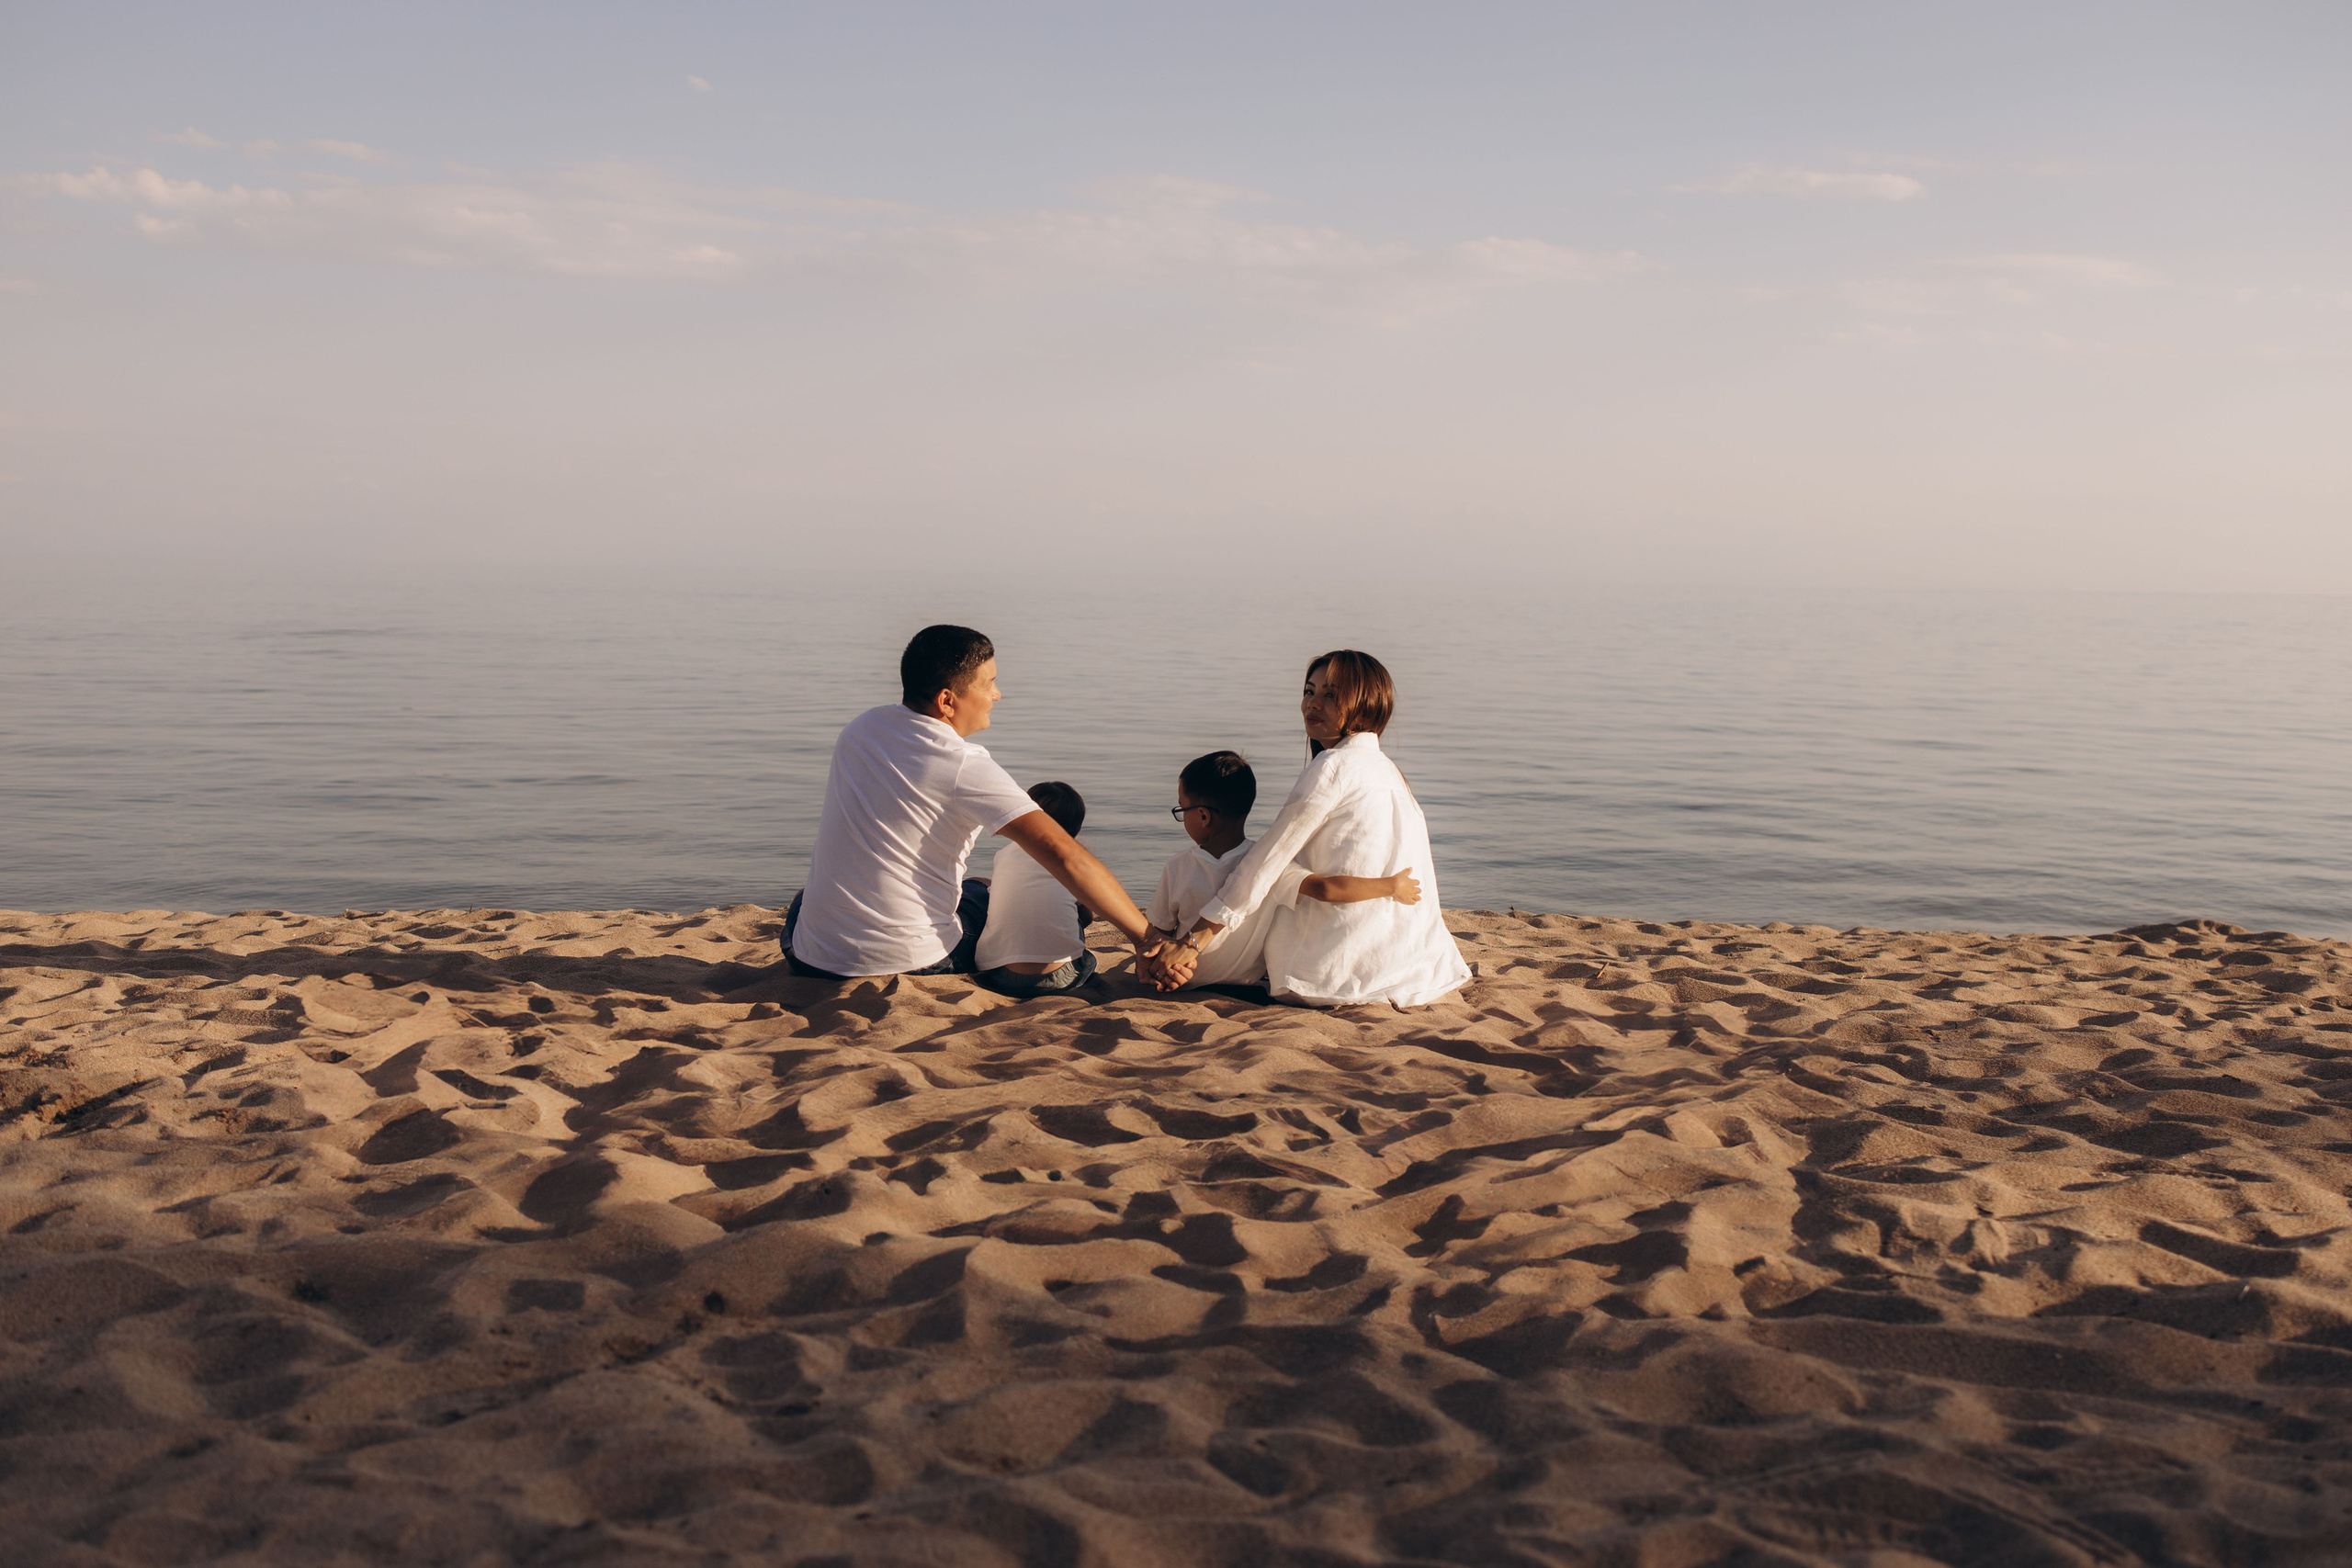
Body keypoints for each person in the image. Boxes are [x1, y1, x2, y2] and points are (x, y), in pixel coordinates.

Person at [718, 625, 1160, 987]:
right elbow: (1064, 854)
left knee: (807, 899)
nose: (998, 695)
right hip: (912, 963)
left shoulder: (861, 728)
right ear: (948, 700)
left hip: (809, 955)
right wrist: (1145, 938)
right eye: (989, 684)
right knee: (998, 899)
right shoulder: (965, 765)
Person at [1149, 652, 1469, 1008]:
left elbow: (1265, 863)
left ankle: (1197, 960)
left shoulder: (1333, 767)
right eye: (1309, 691)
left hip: (1337, 974)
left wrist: (1193, 941)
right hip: (1414, 962)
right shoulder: (1388, 770)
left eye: (1330, 695)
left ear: (1364, 706)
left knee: (1258, 871)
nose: (1312, 704)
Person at [1144, 750, 1420, 992]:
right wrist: (1392, 885)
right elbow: (1327, 889)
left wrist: (1163, 970)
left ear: (1203, 816)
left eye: (1182, 809)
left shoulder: (1178, 867)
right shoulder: (1270, 866)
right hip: (1242, 992)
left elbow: (1156, 933)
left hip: (1180, 981)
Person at [972, 781, 1100, 998]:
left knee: (989, 890)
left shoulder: (1003, 855)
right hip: (1061, 976)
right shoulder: (1075, 858)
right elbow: (1087, 917)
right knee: (1083, 941)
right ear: (1075, 826)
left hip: (999, 974)